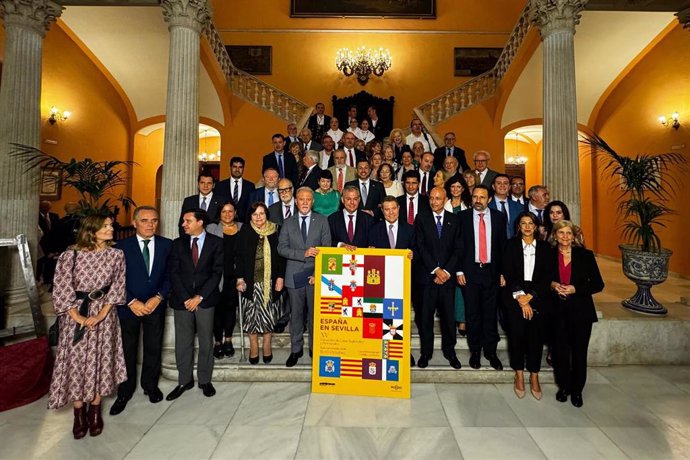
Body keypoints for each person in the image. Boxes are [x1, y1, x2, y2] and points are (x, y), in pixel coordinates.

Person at [48, 214, 126, 439]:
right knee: (76, 363)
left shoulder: (116, 255)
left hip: (105, 316)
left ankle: (95, 412)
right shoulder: (69, 255)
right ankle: (78, 414)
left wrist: (101, 315)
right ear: (92, 230)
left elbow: (118, 287)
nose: (111, 229)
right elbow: (61, 288)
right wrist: (78, 318)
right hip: (74, 317)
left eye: (110, 226)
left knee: (100, 360)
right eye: (106, 226)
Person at [110, 206, 172, 417]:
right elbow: (114, 279)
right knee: (127, 349)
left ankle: (150, 386)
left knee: (153, 347)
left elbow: (171, 275)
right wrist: (130, 301)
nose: (150, 225)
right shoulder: (120, 247)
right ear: (135, 223)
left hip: (156, 305)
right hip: (129, 308)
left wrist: (159, 297)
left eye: (154, 220)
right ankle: (124, 391)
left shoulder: (167, 245)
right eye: (145, 220)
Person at [167, 209, 223, 400]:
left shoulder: (216, 243)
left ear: (200, 222)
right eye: (184, 221)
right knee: (183, 342)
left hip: (205, 300)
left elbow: (217, 273)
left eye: (188, 221)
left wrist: (199, 297)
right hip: (182, 301)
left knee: (206, 341)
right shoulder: (177, 244)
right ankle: (184, 380)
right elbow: (173, 273)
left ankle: (205, 380)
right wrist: (186, 298)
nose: (184, 224)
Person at [551, 220, 604, 408]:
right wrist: (553, 285)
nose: (565, 237)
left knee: (579, 353)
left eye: (569, 233)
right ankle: (564, 387)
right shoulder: (549, 255)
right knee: (560, 352)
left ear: (574, 236)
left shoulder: (585, 256)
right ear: (555, 235)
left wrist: (575, 289)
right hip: (557, 311)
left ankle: (577, 390)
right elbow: (543, 278)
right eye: (561, 233)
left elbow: (598, 284)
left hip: (581, 311)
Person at [502, 212, 554, 400]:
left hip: (538, 296)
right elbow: (508, 272)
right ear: (518, 226)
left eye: (530, 223)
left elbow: (548, 276)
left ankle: (534, 375)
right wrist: (520, 297)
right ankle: (519, 375)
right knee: (516, 337)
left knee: (535, 338)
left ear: (536, 226)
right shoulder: (510, 245)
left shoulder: (545, 247)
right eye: (523, 223)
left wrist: (530, 297)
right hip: (515, 295)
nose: (526, 226)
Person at [278, 187, 332, 367]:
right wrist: (304, 253)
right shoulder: (288, 222)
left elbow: (327, 249)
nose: (305, 202)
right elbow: (281, 248)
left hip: (315, 275)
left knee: (315, 315)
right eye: (301, 199)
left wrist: (318, 274)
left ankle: (315, 348)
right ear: (295, 201)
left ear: (313, 201)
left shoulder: (322, 221)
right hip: (294, 276)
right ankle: (296, 349)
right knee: (296, 315)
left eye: (308, 199)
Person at [457, 185, 508, 370]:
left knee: (490, 314)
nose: (478, 200)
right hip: (469, 273)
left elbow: (503, 247)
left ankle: (491, 352)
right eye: (475, 196)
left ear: (489, 199)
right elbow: (458, 246)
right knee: (472, 315)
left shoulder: (499, 217)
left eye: (482, 197)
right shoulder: (461, 218)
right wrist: (459, 271)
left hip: (491, 272)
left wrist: (503, 272)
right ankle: (476, 352)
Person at [414, 187, 462, 369]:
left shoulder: (454, 220)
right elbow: (420, 246)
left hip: (447, 280)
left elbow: (458, 249)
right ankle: (426, 353)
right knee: (425, 318)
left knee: (449, 318)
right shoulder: (422, 218)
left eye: (438, 198)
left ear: (445, 199)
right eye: (431, 198)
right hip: (428, 278)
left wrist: (446, 272)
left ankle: (450, 351)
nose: (434, 201)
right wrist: (436, 269)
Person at [235, 202, 285, 364]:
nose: (258, 217)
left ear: (267, 215)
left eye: (261, 214)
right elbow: (239, 256)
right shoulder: (245, 231)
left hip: (270, 282)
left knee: (268, 315)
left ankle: (267, 345)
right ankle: (254, 346)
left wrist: (280, 277)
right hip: (250, 282)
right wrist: (240, 278)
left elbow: (281, 257)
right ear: (250, 216)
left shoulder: (275, 230)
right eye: (255, 214)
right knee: (251, 316)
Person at [206, 201, 242, 359]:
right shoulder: (211, 228)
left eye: (230, 211)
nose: (227, 214)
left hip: (236, 276)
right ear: (219, 213)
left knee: (230, 309)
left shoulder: (242, 227)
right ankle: (218, 342)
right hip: (217, 276)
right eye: (224, 212)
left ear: (235, 212)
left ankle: (228, 340)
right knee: (218, 310)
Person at [443, 174, 471, 336]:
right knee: (448, 287)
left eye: (458, 187)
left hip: (463, 250)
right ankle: (449, 318)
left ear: (463, 189)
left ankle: (462, 320)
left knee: (461, 286)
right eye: (452, 187)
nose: (455, 190)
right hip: (446, 250)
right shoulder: (444, 204)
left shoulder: (468, 205)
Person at [215, 156, 255, 223]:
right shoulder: (220, 186)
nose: (237, 169)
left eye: (240, 167)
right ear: (230, 167)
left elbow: (251, 207)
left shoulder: (250, 186)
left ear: (243, 169)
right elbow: (217, 206)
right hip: (224, 223)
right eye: (235, 167)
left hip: (244, 224)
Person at [489, 174, 524, 238]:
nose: (502, 185)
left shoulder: (519, 207)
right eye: (499, 183)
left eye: (505, 183)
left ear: (509, 187)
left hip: (513, 244)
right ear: (493, 186)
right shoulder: (487, 206)